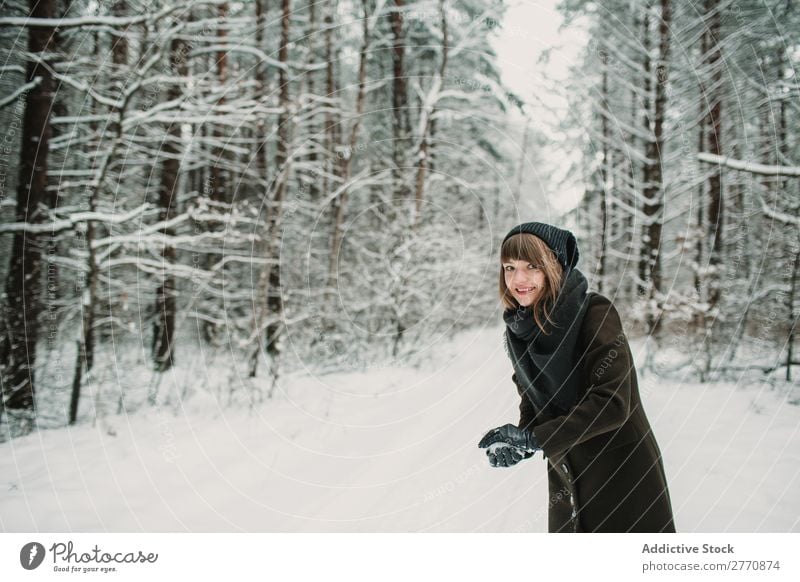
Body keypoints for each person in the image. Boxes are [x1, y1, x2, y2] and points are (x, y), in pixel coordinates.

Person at [478, 222, 675, 533]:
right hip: (565, 478)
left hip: (620, 473)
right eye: (509, 267)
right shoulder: (519, 329)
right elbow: (534, 399)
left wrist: (536, 438)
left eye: (532, 266)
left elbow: (612, 402)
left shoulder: (594, 312)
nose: (519, 279)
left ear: (555, 265)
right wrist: (523, 440)